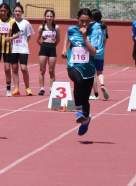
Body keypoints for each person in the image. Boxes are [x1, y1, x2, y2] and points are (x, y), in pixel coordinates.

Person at [61, 8, 98, 136]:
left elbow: (93, 52)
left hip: (88, 68)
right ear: (77, 19)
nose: (84, 24)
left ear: (91, 21)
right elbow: (67, 34)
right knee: (77, 80)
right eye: (82, 21)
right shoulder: (71, 29)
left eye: (87, 22)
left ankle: (86, 120)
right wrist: (64, 49)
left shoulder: (94, 32)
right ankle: (78, 111)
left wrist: (84, 36)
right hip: (73, 64)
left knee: (85, 99)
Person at [0, 3, 19, 96]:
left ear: (8, 11)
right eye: (1, 11)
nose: (3, 12)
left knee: (7, 69)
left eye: (4, 11)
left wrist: (10, 38)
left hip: (7, 48)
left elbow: (17, 34)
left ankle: (8, 89)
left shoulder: (12, 21)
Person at [11, 3, 35, 96]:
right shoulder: (11, 22)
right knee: (14, 68)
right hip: (13, 48)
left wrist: (24, 43)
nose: (17, 13)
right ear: (13, 12)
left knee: (23, 68)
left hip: (23, 49)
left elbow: (29, 36)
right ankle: (16, 88)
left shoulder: (26, 23)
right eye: (16, 11)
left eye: (19, 11)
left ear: (22, 12)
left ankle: (27, 88)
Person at [37, 9, 60, 96]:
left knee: (51, 70)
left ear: (53, 17)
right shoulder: (41, 27)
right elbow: (37, 39)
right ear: (45, 17)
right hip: (43, 49)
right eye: (47, 16)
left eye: (51, 16)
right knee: (42, 70)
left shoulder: (56, 27)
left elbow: (59, 39)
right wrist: (43, 45)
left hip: (52, 49)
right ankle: (42, 88)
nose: (49, 18)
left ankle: (52, 88)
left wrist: (53, 45)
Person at [90, 10, 109, 100]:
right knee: (100, 72)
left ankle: (96, 94)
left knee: (92, 73)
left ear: (92, 18)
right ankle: (102, 84)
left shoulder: (92, 26)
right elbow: (105, 40)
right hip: (101, 52)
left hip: (93, 51)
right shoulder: (104, 27)